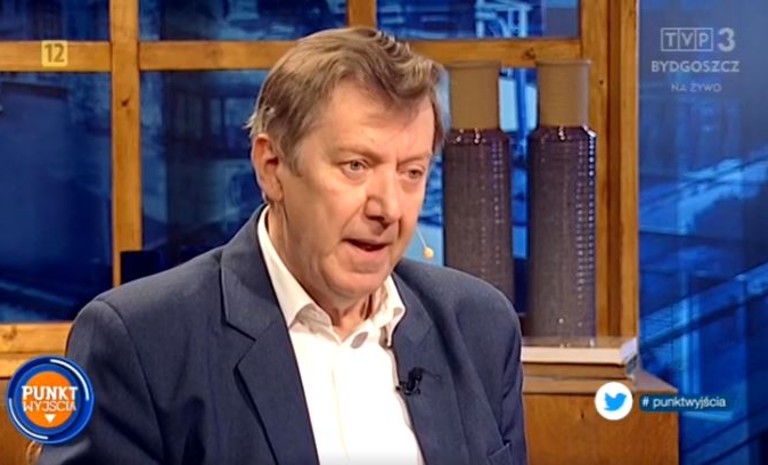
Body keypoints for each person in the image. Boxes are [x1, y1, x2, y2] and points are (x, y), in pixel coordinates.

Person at [39, 27, 527, 465]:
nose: (389, 208)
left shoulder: (479, 326)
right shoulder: (142, 342)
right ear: (272, 167)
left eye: (411, 172)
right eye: (356, 166)